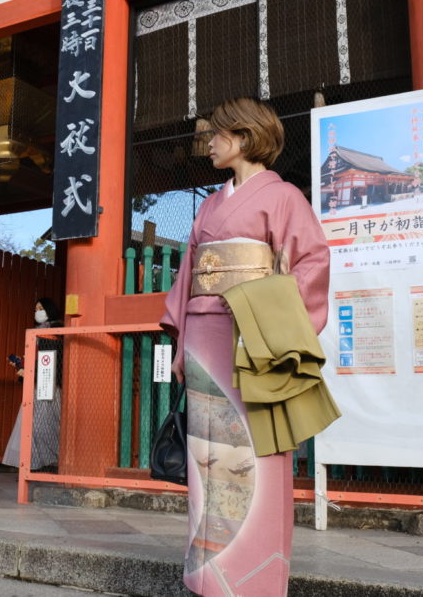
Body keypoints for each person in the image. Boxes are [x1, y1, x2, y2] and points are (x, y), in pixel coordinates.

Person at [160, 98, 330, 597]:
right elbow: (189, 274)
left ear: (244, 136)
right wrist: (180, 345)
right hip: (204, 337)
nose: (209, 142)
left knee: (251, 453)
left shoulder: (283, 198)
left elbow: (311, 264)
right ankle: (207, 575)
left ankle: (253, 580)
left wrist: (259, 309)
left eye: (216, 133)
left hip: (251, 339)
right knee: (207, 458)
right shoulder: (210, 205)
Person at [2, 298, 62, 470]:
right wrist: (22, 364)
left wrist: (31, 370)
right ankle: (32, 464)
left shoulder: (57, 332)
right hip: (36, 385)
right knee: (29, 424)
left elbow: (52, 361)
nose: (38, 312)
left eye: (41, 308)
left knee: (44, 426)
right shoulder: (35, 333)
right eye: (36, 309)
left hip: (49, 385)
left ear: (49, 310)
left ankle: (50, 462)